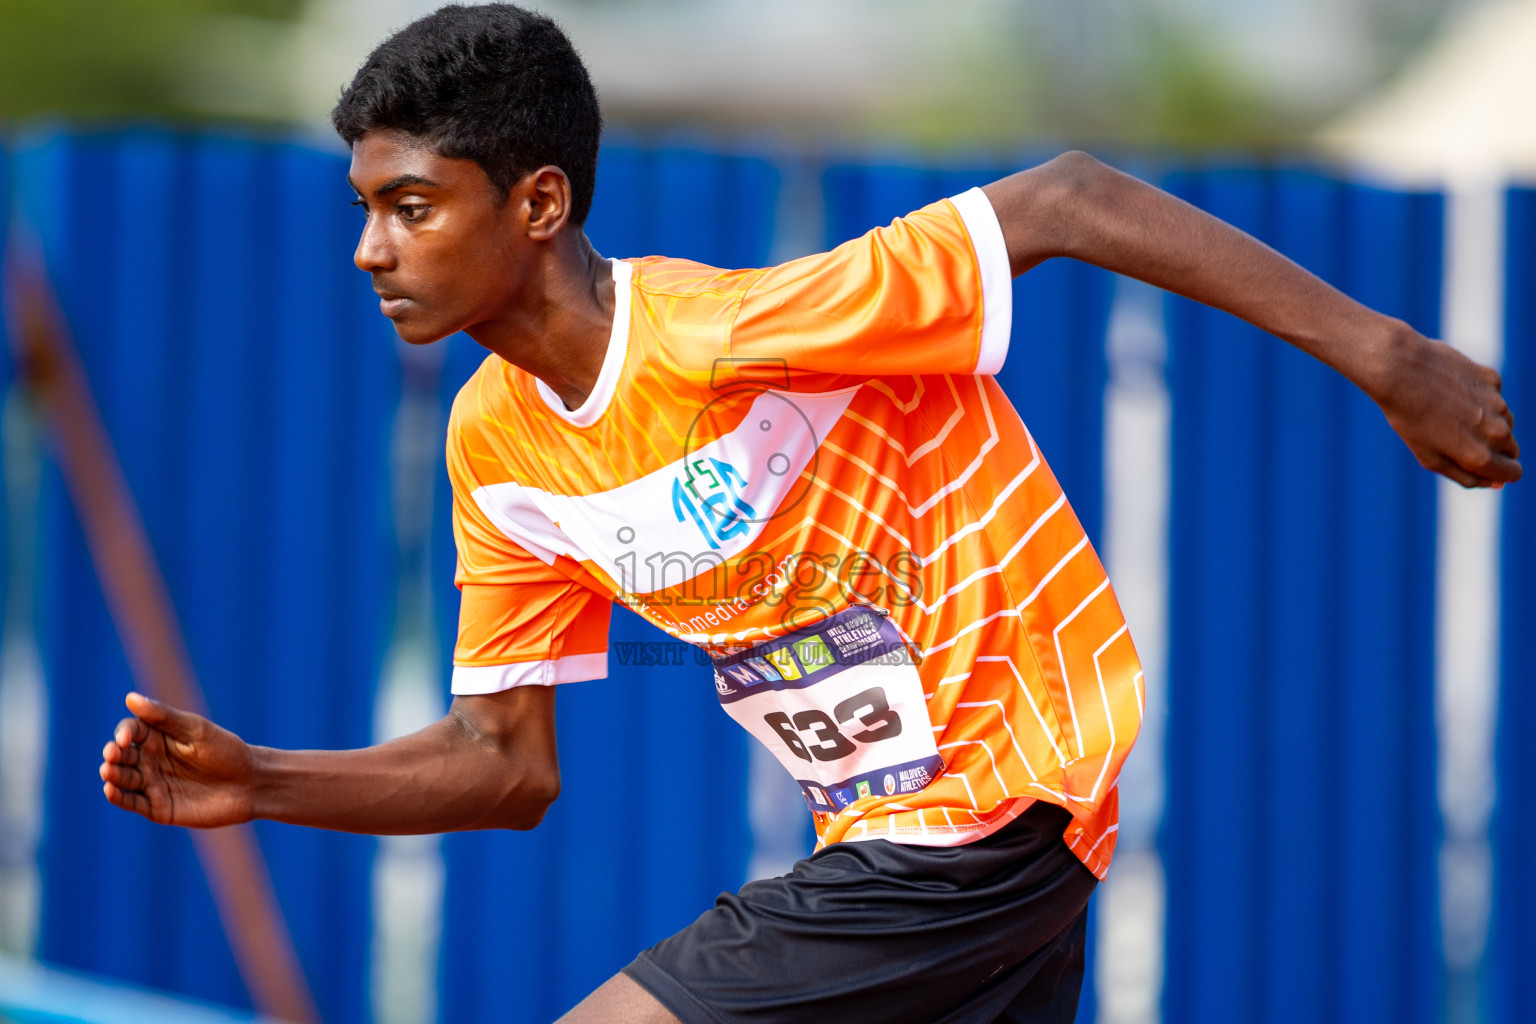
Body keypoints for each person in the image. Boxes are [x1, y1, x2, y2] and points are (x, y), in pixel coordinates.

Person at [97, 5, 1520, 1022]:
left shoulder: (747, 331)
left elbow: (1074, 198)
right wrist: (264, 779)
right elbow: (503, 767)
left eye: (410, 206)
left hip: (991, 808)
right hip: (908, 852)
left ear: (537, 202)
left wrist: (1390, 359)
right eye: (363, 207)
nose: (369, 249)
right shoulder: (498, 448)